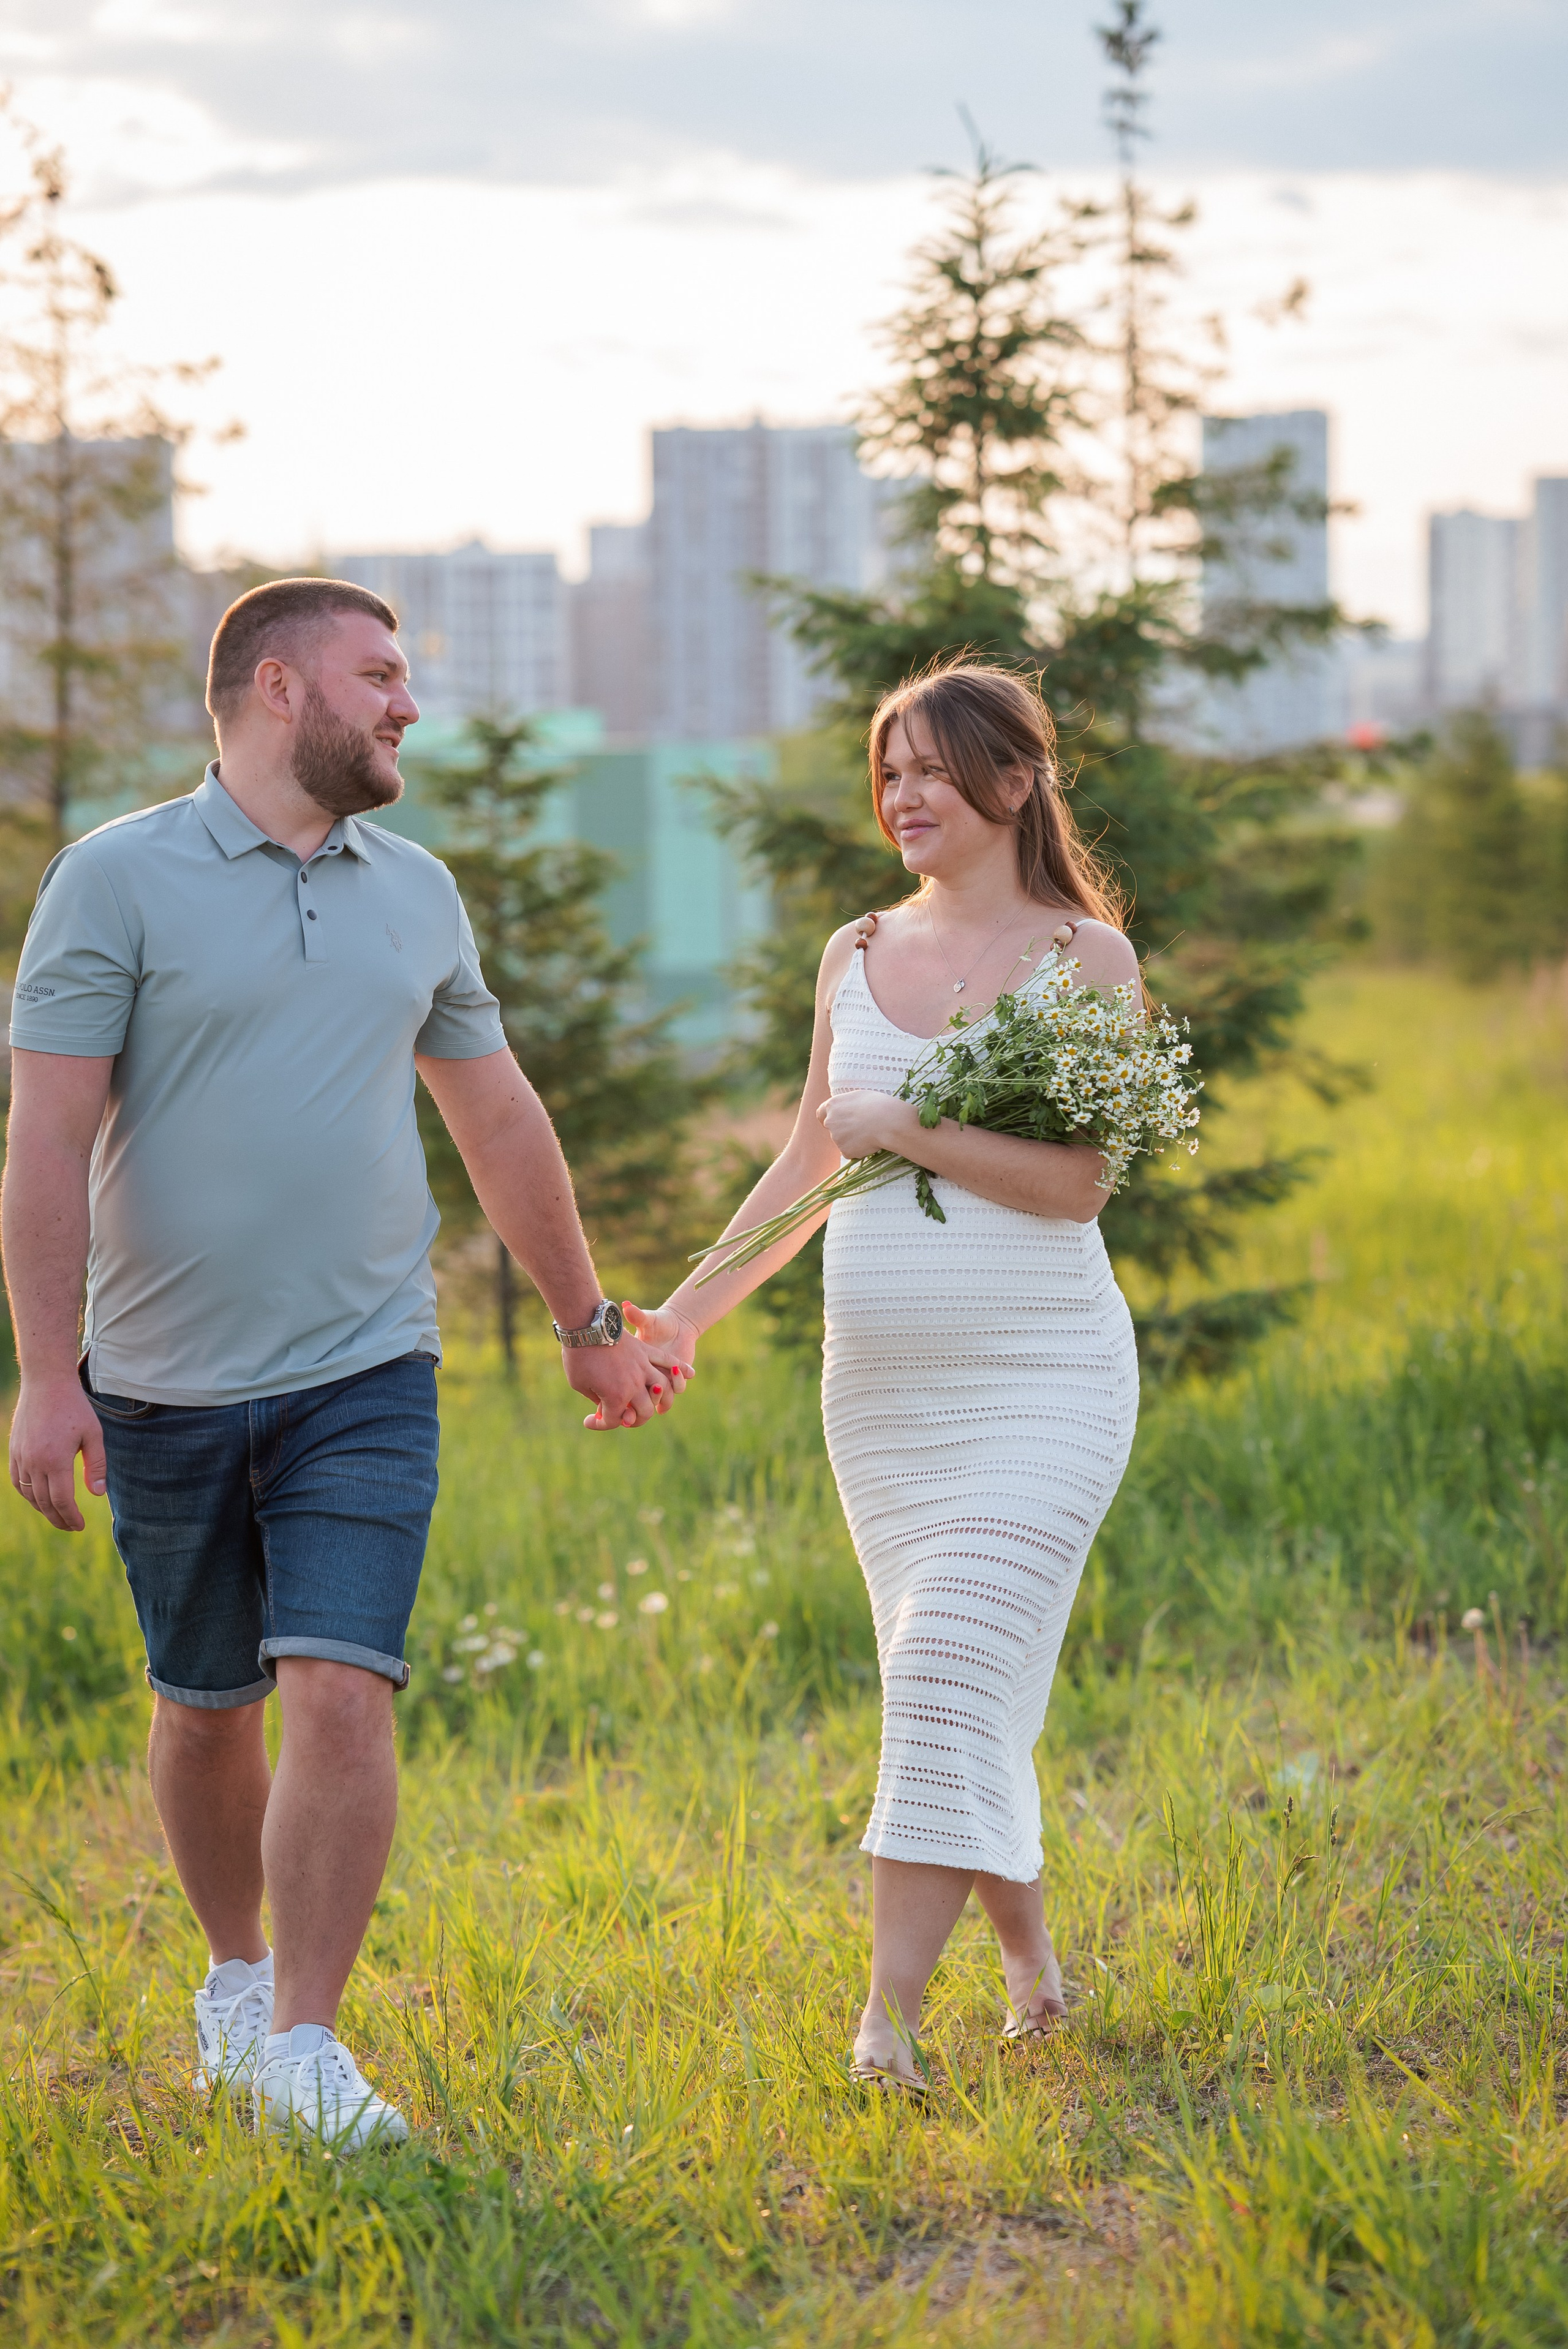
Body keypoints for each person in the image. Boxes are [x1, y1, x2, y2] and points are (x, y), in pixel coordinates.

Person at [2, 579, 690, 2148]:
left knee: (342, 1688)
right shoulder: (114, 882)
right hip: (162, 1379)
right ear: (275, 689)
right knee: (204, 1704)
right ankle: (234, 1980)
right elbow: (44, 1139)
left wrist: (589, 1325)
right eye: (377, 677)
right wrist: (51, 1376)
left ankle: (307, 2040)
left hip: (366, 1367)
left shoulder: (416, 891)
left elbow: (496, 1115)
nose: (406, 706)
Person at [626, 662, 1139, 2093]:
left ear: (1013, 781)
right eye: (888, 770)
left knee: (939, 1660)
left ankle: (885, 2026)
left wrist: (904, 1122)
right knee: (960, 1685)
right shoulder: (851, 951)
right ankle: (1033, 1973)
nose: (902, 795)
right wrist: (681, 1318)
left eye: (930, 769)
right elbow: (804, 1160)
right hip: (888, 1405)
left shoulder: (1081, 960)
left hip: (1044, 1385)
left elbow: (1079, 1184)